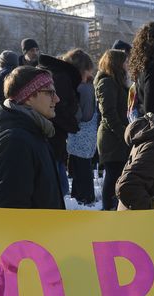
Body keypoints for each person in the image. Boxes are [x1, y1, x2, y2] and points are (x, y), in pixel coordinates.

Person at [0, 66, 64, 209]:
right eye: (50, 92)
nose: (57, 99)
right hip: (32, 231)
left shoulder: (34, 131)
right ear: (28, 97)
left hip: (46, 230)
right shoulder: (15, 141)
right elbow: (13, 209)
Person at [38, 53, 81, 197]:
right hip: (56, 127)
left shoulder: (49, 73)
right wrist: (70, 121)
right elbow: (61, 104)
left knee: (56, 163)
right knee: (56, 165)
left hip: (52, 126)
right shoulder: (61, 77)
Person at [95, 49, 132, 210]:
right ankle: (108, 208)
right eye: (125, 62)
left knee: (117, 173)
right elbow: (108, 113)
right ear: (116, 64)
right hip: (112, 137)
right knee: (112, 174)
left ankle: (113, 206)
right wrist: (124, 133)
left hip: (117, 135)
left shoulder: (117, 82)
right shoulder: (107, 83)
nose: (127, 65)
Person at [64, 49, 98, 205]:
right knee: (84, 170)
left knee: (81, 172)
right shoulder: (88, 86)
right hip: (88, 135)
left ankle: (83, 199)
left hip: (80, 134)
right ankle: (85, 198)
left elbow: (80, 114)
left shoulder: (82, 88)